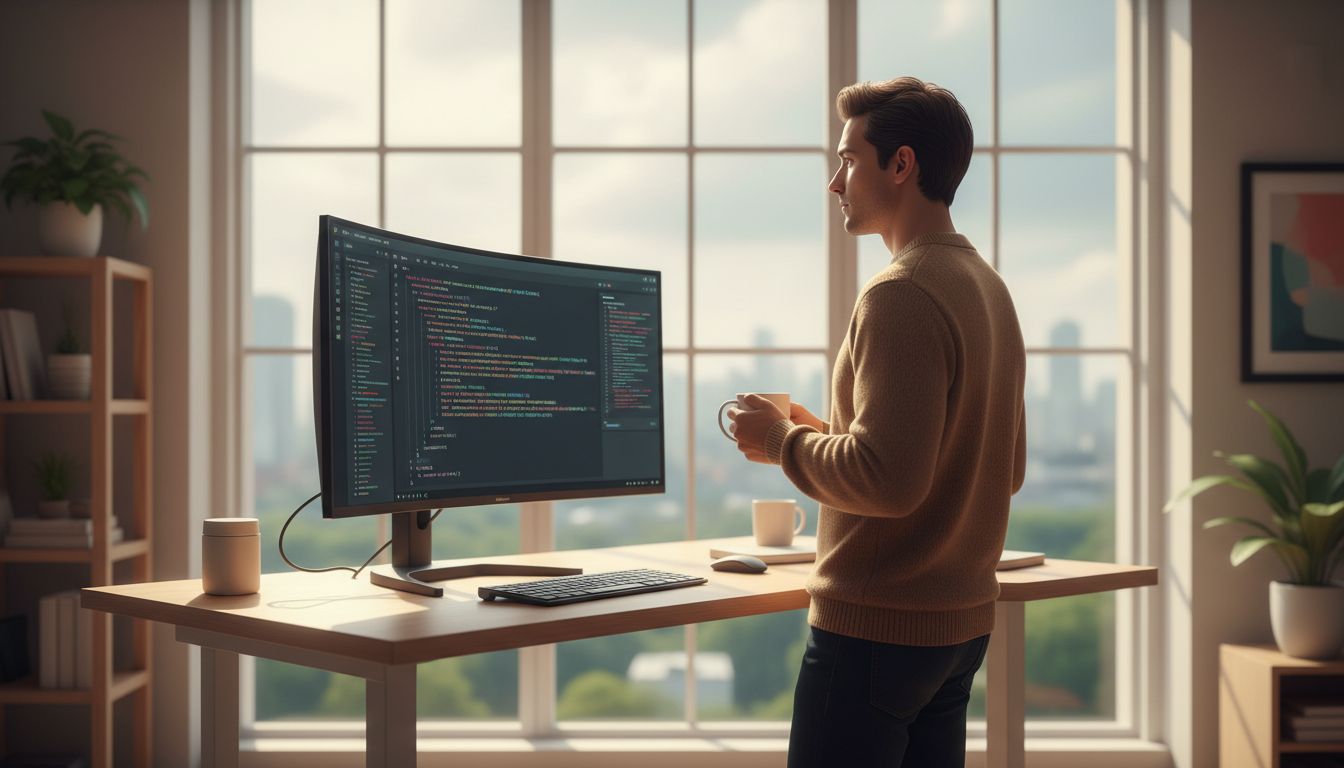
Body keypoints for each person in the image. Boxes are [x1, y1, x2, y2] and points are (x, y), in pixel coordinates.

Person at [727, 77, 1027, 767]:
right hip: (955, 634)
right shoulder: (987, 286)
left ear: (901, 165)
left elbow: (889, 482)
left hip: (876, 635)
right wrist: (822, 434)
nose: (835, 183)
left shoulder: (901, 293)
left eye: (849, 160)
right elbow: (1000, 469)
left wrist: (778, 440)